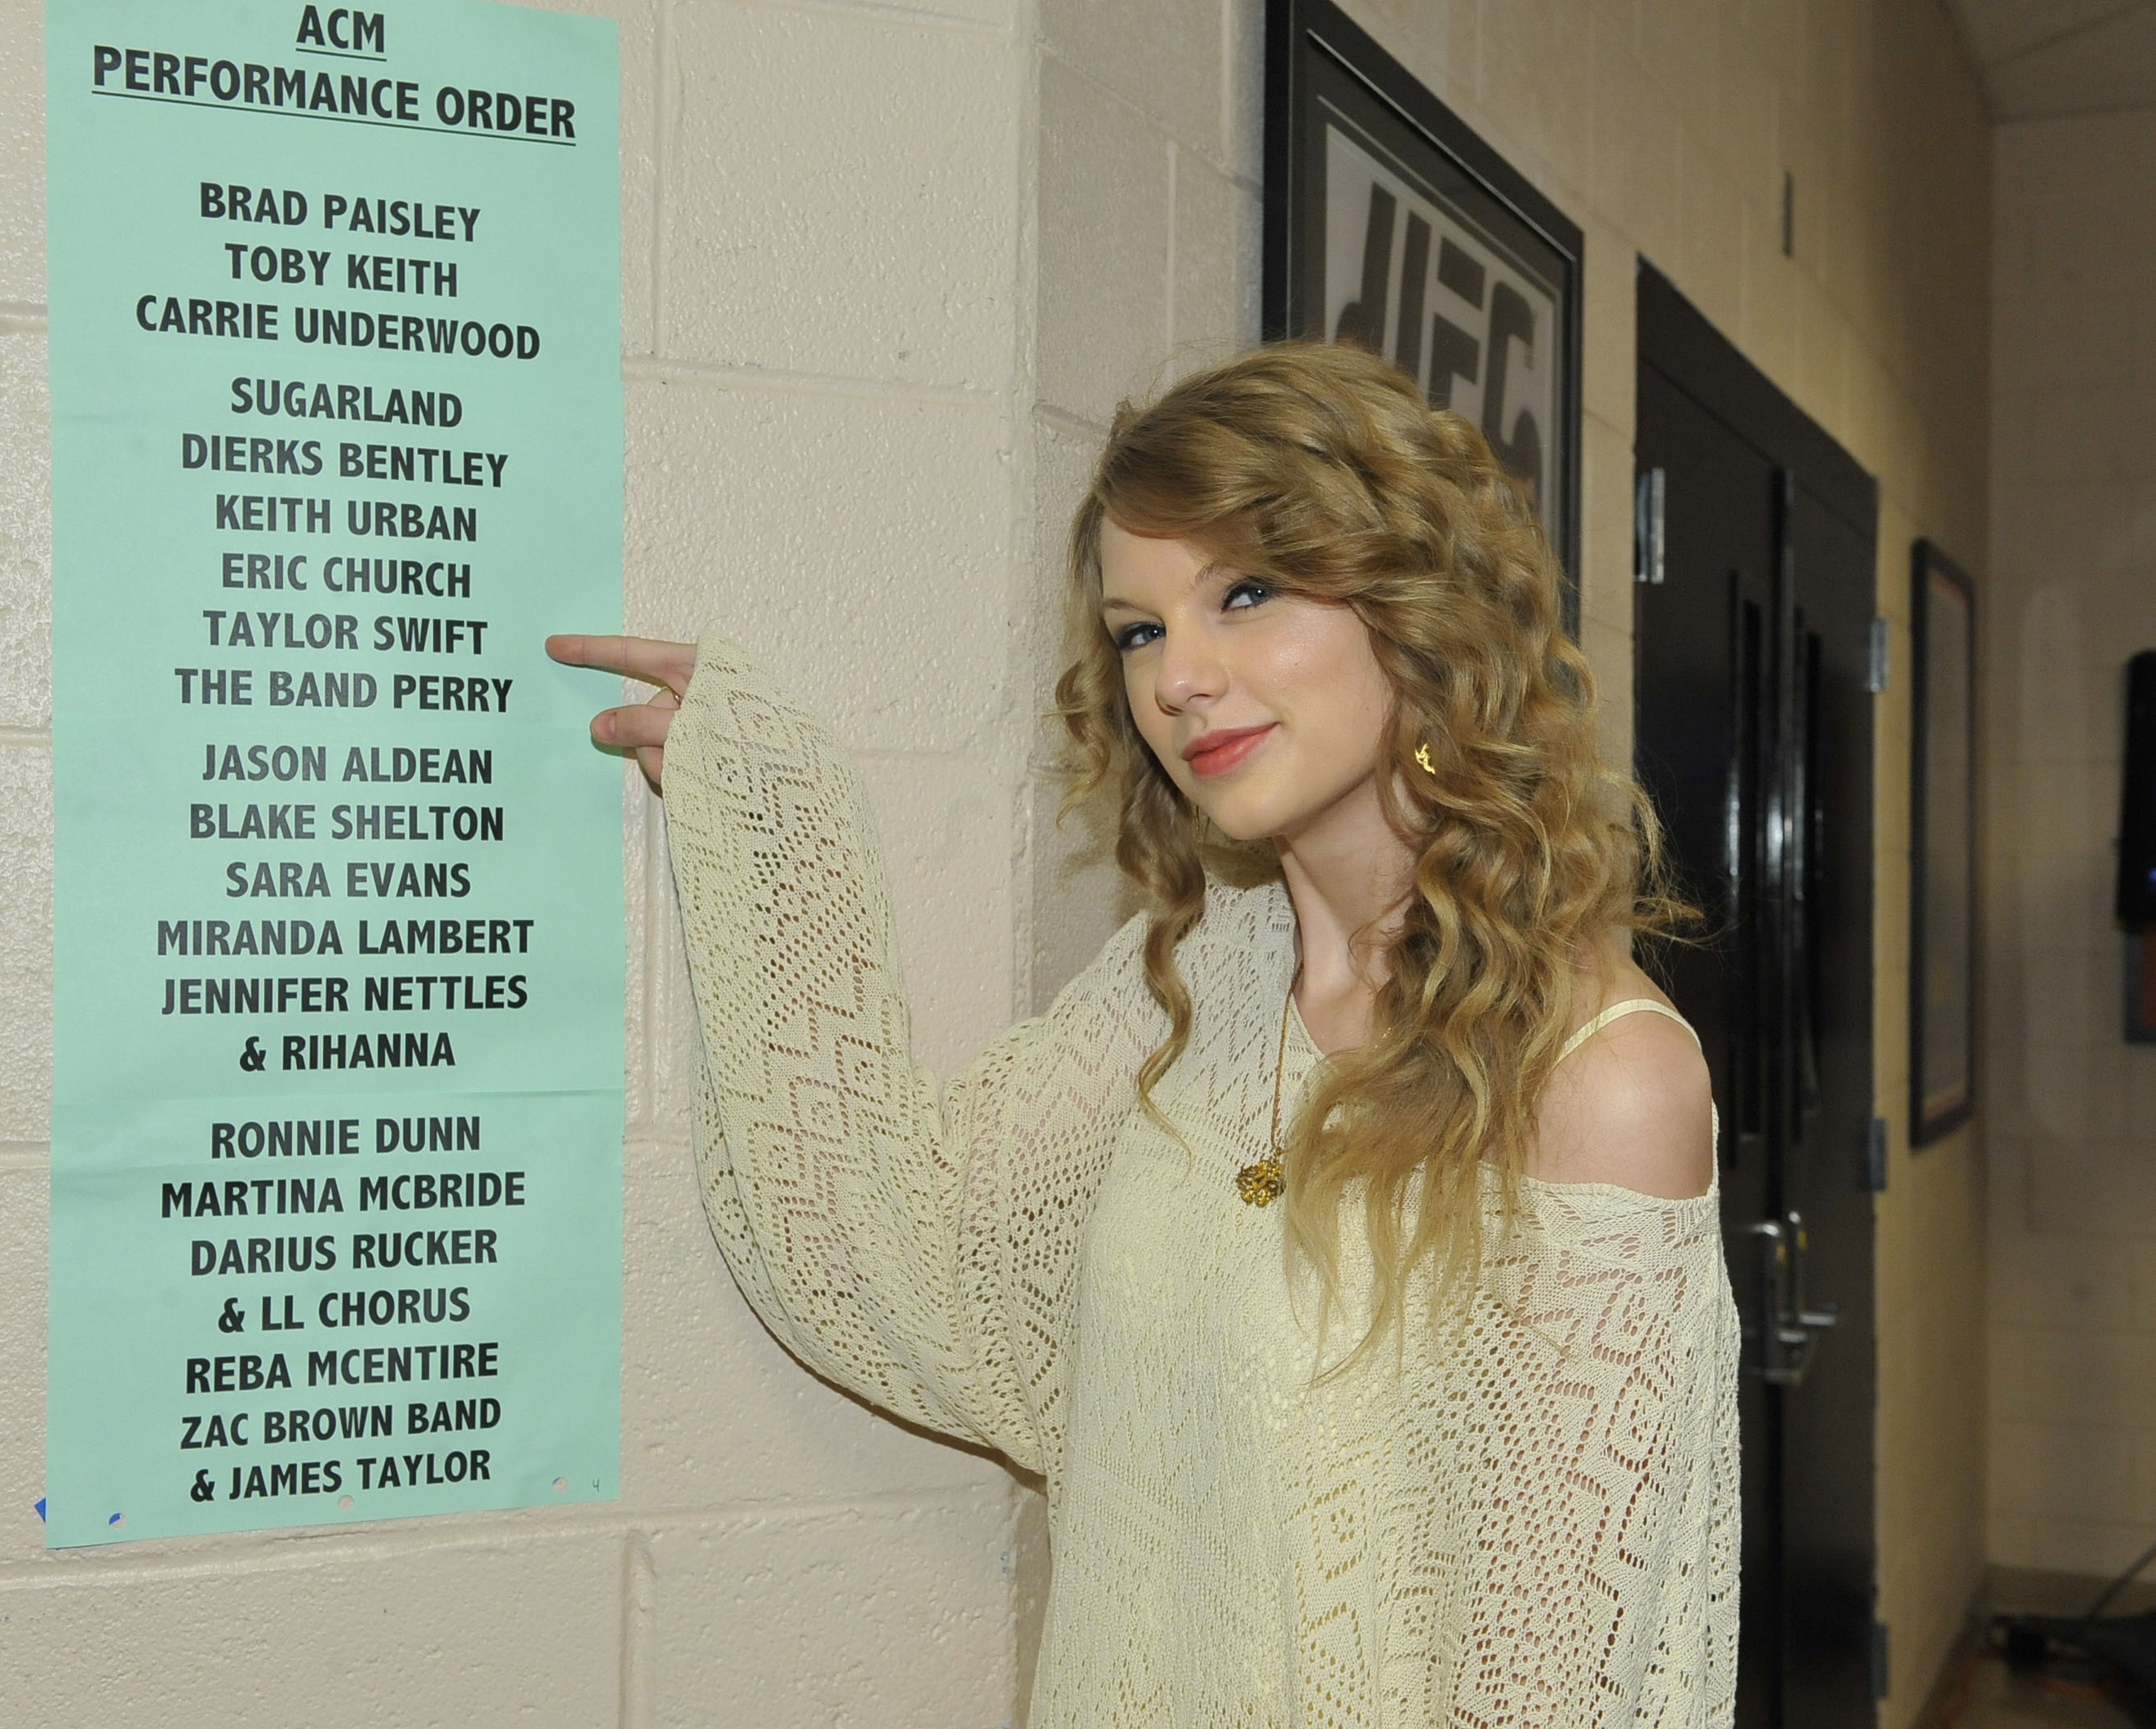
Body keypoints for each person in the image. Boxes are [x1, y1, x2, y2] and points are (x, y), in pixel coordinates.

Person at [549, 341, 1740, 1727]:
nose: (1180, 676)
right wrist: (771, 818)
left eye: (1246, 591)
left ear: (1417, 608)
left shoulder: (1599, 1081)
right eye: (1140, 629)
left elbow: (1550, 1695)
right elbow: (908, 1241)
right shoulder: (1188, 979)